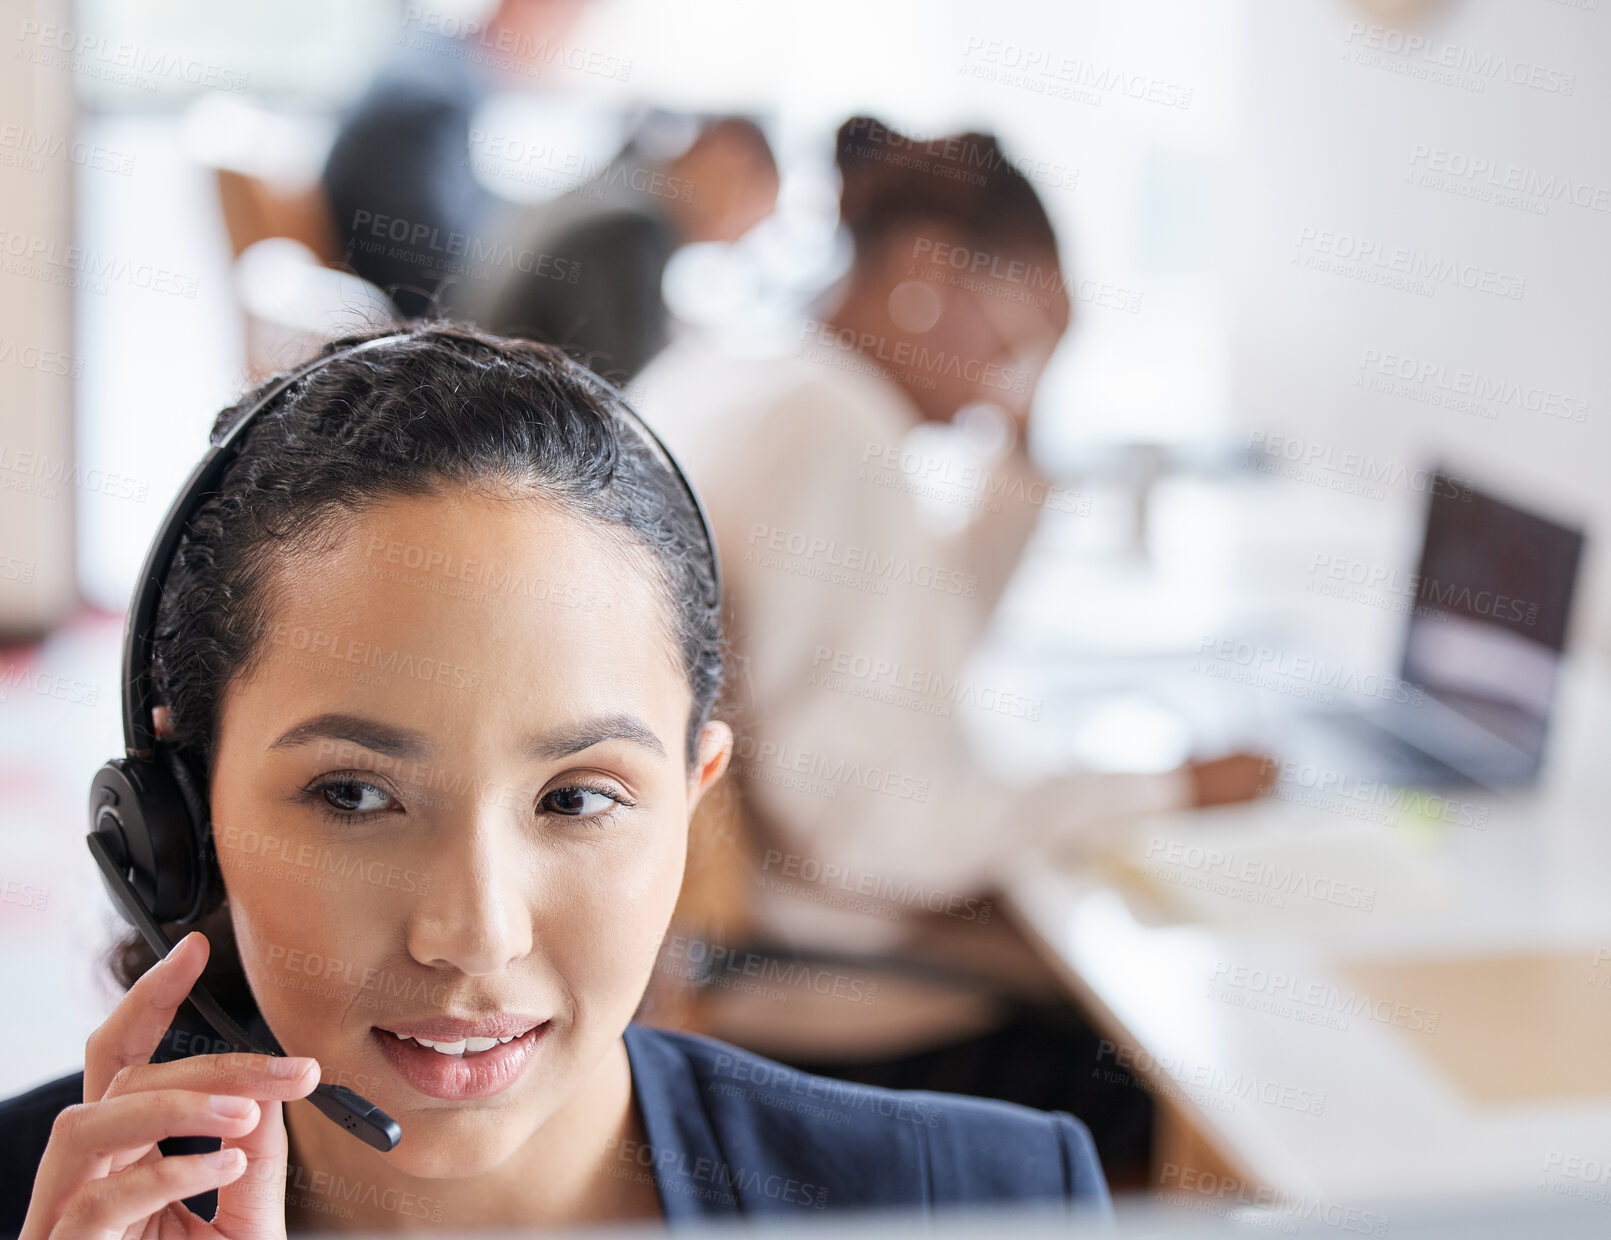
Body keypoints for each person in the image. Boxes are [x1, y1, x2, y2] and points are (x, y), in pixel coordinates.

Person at [0, 325, 1110, 1233]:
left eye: (577, 797)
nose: (476, 934)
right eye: (354, 794)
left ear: (694, 798)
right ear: (180, 821)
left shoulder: (984, 1204)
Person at [631, 116, 1270, 1184]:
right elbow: (873, 827)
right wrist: (1166, 790)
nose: (1001, 391)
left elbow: (908, 647)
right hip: (810, 988)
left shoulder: (764, 372)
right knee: (1182, 1070)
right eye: (1014, 348)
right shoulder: (835, 440)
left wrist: (1023, 444)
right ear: (926, 270)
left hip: (728, 946)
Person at [463, 111, 780, 384]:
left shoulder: (617, 189)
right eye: (751, 212)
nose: (736, 237)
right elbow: (623, 380)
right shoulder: (632, 233)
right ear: (728, 157)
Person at [321, 0, 593, 318]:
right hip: (400, 325)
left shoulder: (440, 65)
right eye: (574, 23)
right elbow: (427, 281)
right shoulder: (431, 98)